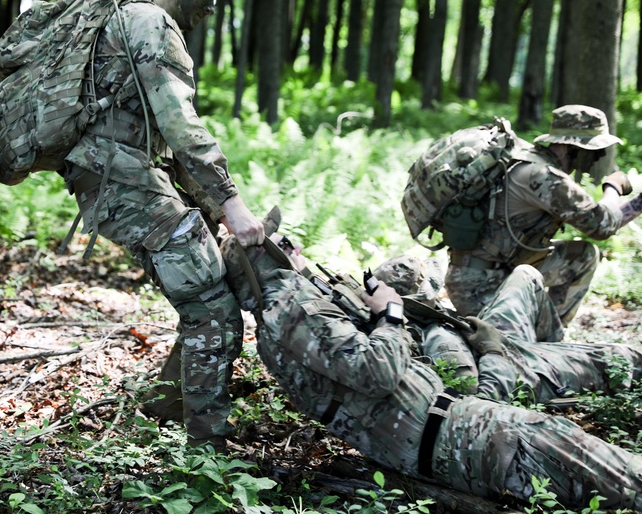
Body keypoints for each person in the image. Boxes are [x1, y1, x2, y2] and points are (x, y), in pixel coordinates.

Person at [217, 218, 642, 510]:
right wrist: (391, 313)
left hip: (464, 430)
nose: (294, 246)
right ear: (263, 259)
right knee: (623, 477)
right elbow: (376, 372)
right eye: (282, 243)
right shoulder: (293, 310)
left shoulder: (291, 313)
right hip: (466, 436)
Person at [62, 0, 263, 450]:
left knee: (207, 285)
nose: (212, 6)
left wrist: (204, 204)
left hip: (117, 175)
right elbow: (179, 122)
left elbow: (153, 131)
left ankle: (165, 407)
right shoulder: (152, 24)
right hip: (118, 180)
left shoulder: (132, 18)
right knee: (213, 310)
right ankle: (207, 454)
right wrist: (231, 204)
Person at [443, 104, 636, 334]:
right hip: (479, 285)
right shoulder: (544, 177)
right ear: (570, 147)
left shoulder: (530, 161)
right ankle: (546, 340)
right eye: (594, 151)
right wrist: (613, 187)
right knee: (516, 350)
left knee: (582, 256)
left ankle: (549, 331)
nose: (599, 158)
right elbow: (602, 225)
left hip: (500, 270)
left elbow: (601, 224)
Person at [372, 255, 642, 405]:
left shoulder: (411, 318)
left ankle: (556, 346)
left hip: (498, 341)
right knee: (628, 357)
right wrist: (492, 350)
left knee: (527, 274)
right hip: (518, 368)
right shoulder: (441, 342)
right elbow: (484, 402)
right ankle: (560, 360)